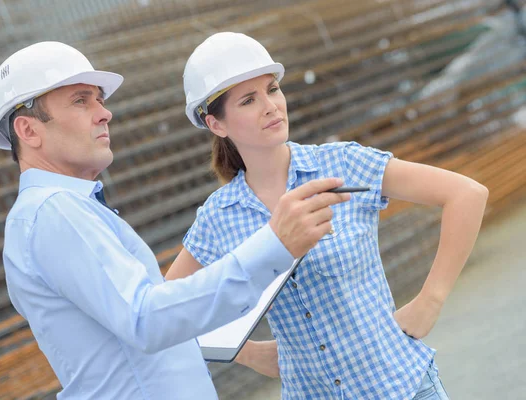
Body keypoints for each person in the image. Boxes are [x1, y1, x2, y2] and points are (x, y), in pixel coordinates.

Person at [0, 41, 352, 399]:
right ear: (29, 130)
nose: (104, 113)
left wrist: (248, 352)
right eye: (81, 101)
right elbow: (147, 319)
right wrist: (274, 245)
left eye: (100, 99)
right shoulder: (54, 213)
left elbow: (145, 322)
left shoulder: (65, 211)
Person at [166, 32, 489, 399]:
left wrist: (431, 299)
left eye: (272, 89)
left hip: (403, 387)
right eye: (248, 100)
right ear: (216, 125)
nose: (271, 106)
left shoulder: (342, 164)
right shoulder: (219, 218)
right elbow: (166, 310)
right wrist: (248, 353)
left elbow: (466, 194)